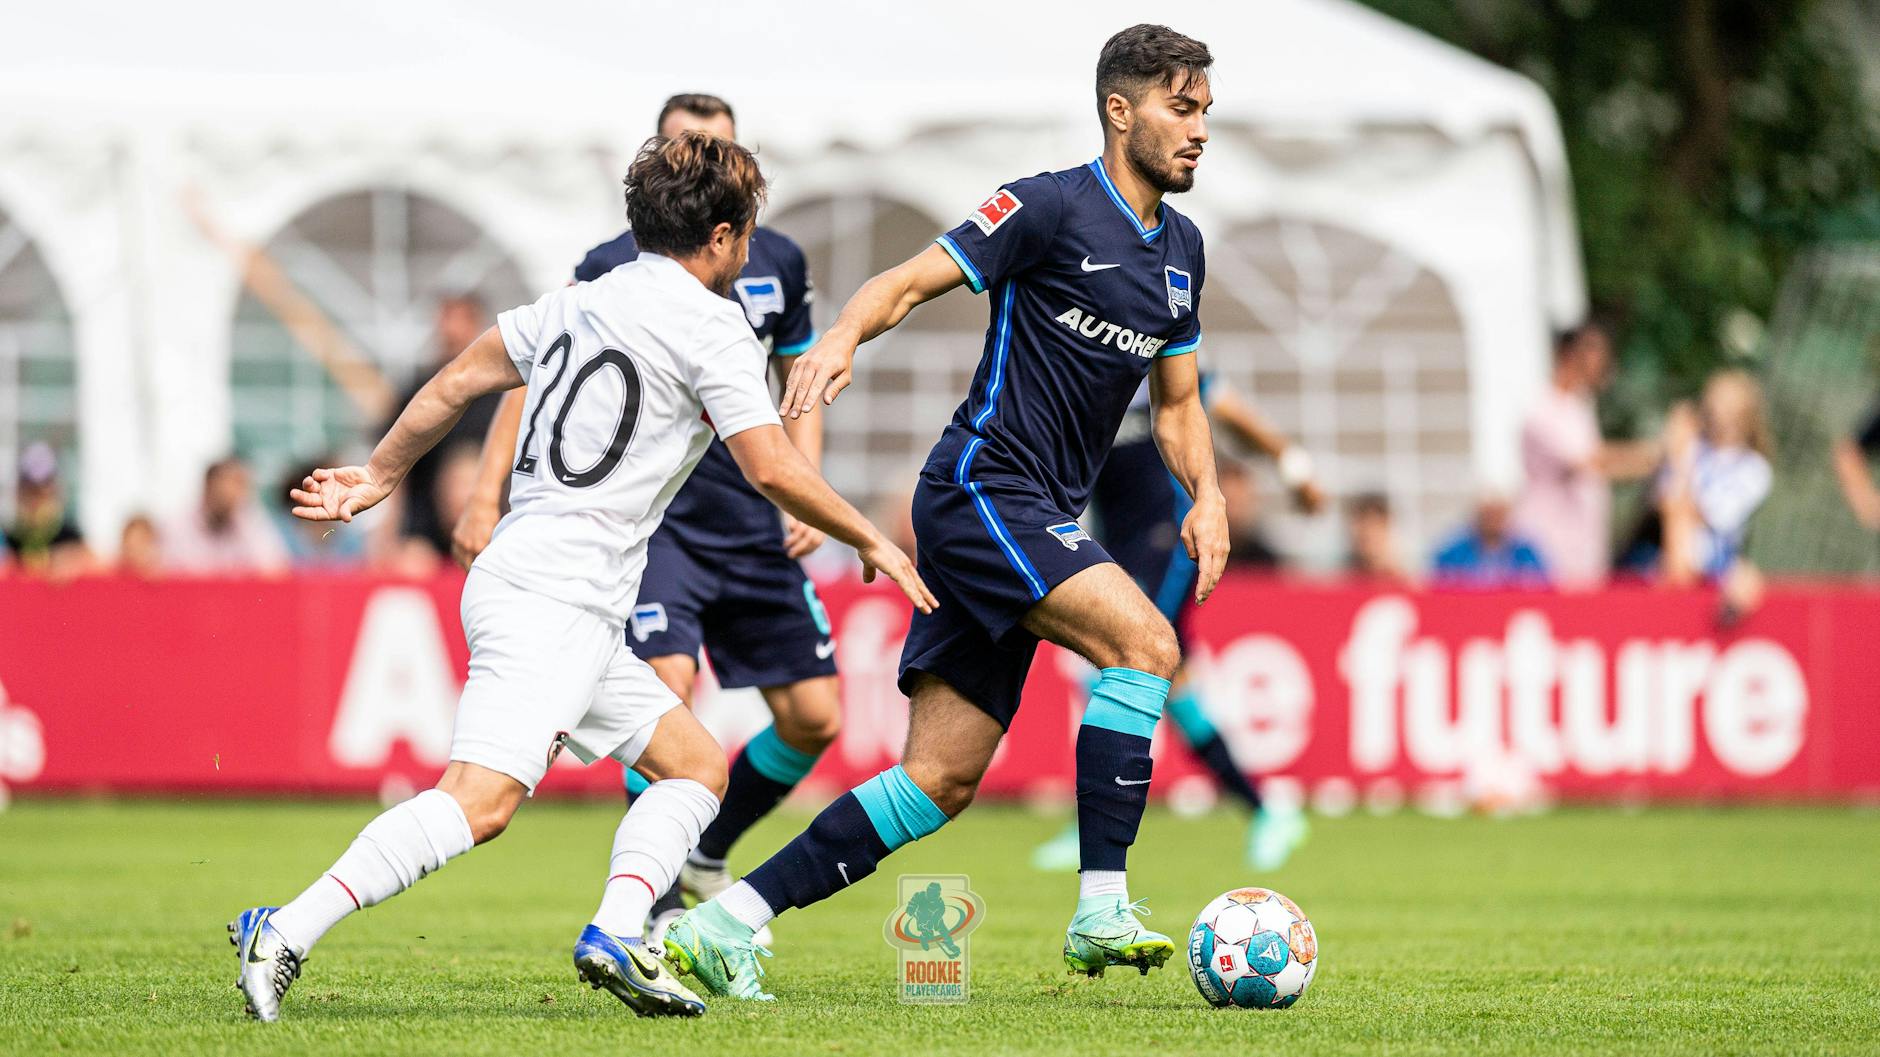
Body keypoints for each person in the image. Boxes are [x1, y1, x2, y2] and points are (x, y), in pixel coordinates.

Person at [225, 132, 934, 1023]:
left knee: (694, 766)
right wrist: (873, 535)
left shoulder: (571, 303)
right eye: (747, 232)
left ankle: (617, 930)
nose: (750, 248)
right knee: (479, 804)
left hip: (559, 590)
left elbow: (453, 383)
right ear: (720, 237)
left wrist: (379, 476)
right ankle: (284, 928)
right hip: (553, 597)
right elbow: (772, 468)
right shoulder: (714, 326)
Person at [662, 24, 1223, 1000]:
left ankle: (723, 920)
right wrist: (838, 334)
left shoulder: (1180, 251)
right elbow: (908, 280)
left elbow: (1176, 404)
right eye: (1181, 107)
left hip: (1032, 512)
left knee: (938, 780)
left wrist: (1205, 494)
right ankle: (1099, 906)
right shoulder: (1046, 206)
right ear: (1118, 109)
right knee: (1145, 643)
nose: (1198, 130)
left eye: (1206, 111)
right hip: (977, 488)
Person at [451, 93, 831, 948]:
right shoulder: (608, 265)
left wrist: (806, 480)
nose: (703, 165)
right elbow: (532, 369)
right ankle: (644, 911)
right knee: (669, 700)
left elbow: (799, 376)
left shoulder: (778, 261)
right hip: (657, 524)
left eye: (719, 152)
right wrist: (486, 492)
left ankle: (704, 852)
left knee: (816, 715)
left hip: (755, 515)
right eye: (685, 148)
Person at [1031, 373, 1320, 874]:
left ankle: (1094, 829)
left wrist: (1294, 469)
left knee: (1117, 664)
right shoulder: (1089, 381)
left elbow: (1238, 418)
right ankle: (1266, 811)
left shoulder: (1165, 371)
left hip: (1171, 544)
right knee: (1167, 683)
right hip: (1114, 550)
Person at [1511, 323, 1658, 588]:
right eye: (1593, 353)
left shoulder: (1579, 407)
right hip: (1549, 548)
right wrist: (1649, 458)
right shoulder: (1542, 409)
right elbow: (1587, 461)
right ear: (1569, 354)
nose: (1601, 363)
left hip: (1582, 548)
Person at [388, 295, 497, 557]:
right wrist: (389, 538)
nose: (450, 331)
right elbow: (395, 469)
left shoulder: (501, 395)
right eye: (446, 322)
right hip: (425, 532)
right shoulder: (417, 392)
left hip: (491, 522)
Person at [1658, 370, 1772, 618]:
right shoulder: (1691, 450)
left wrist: (1681, 470)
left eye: (1727, 402)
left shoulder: (1754, 468)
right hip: (1673, 555)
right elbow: (1667, 503)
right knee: (1678, 527)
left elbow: (1717, 516)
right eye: (1715, 400)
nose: (1718, 410)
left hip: (1718, 563)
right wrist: (1678, 457)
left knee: (1747, 580)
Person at [161, 457, 290, 575]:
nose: (235, 493)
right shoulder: (177, 525)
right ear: (209, 485)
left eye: (241, 485)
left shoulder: (251, 523)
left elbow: (275, 571)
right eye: (231, 482)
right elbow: (165, 573)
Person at [5, 441, 90, 578]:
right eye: (31, 492)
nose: (36, 502)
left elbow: (97, 564)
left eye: (43, 493)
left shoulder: (70, 536)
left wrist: (75, 560)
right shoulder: (10, 538)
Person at [1430, 491, 1549, 587]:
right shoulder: (1453, 554)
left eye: (1498, 514)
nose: (1493, 521)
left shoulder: (1525, 553)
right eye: (1488, 514)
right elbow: (1438, 587)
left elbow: (1543, 586)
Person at [1347, 492, 1409, 582]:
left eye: (1375, 526)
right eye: (1363, 526)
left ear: (1386, 527)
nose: (1368, 533)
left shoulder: (1403, 582)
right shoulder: (1342, 578)